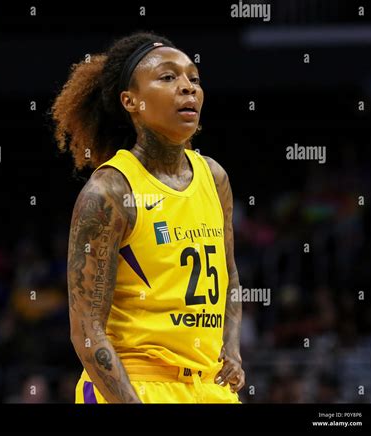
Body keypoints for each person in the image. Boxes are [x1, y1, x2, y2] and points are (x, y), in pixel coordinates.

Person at [52, 31, 245, 403]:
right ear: (131, 101)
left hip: (208, 387)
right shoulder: (110, 192)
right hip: (133, 384)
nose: (188, 88)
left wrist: (231, 347)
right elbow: (86, 330)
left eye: (194, 78)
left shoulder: (214, 177)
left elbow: (229, 274)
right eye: (168, 77)